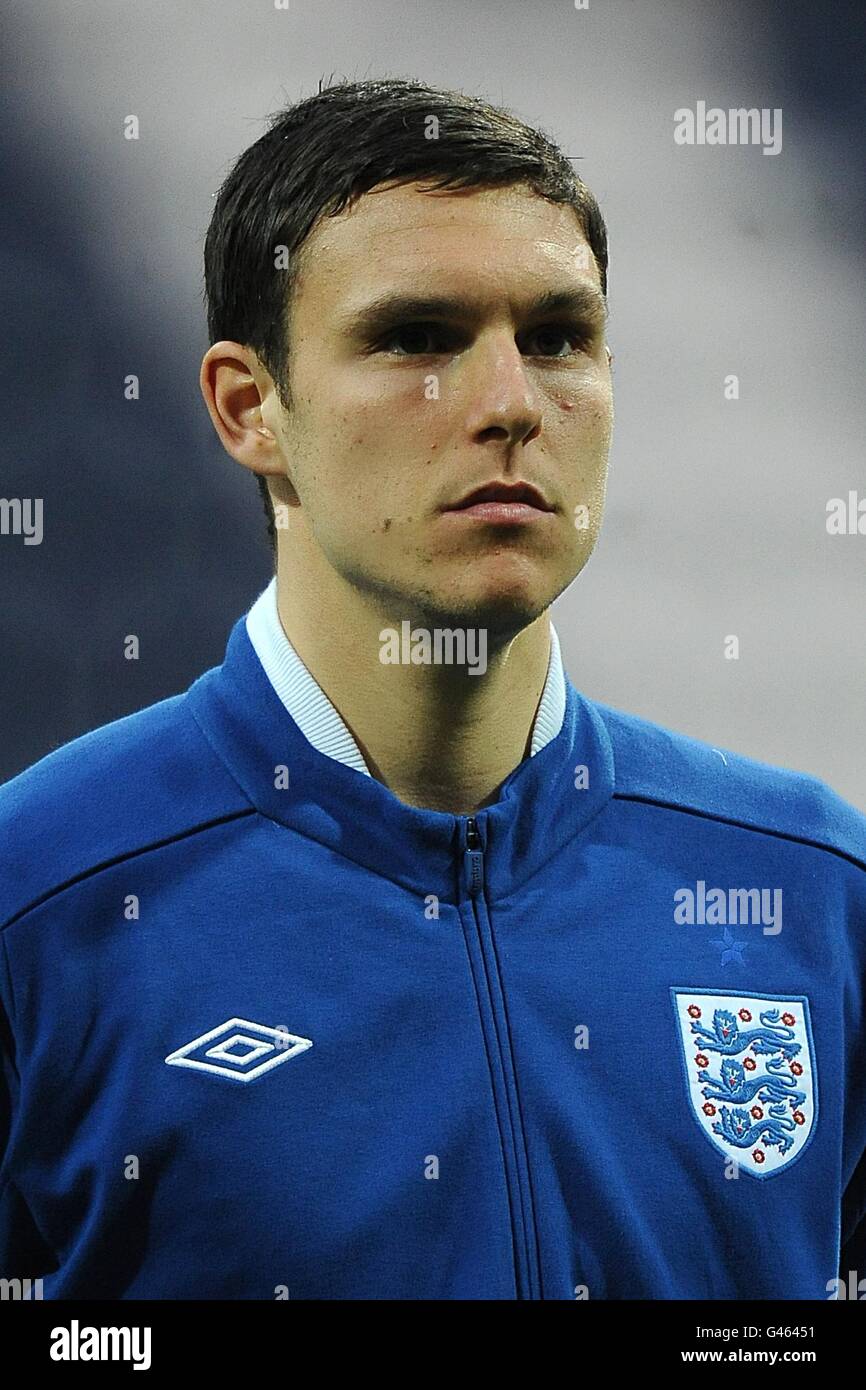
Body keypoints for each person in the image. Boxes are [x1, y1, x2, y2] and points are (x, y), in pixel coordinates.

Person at [1, 78, 864, 1301]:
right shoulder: (41, 898)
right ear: (251, 409)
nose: (510, 403)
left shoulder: (812, 891)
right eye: (416, 337)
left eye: (558, 337)